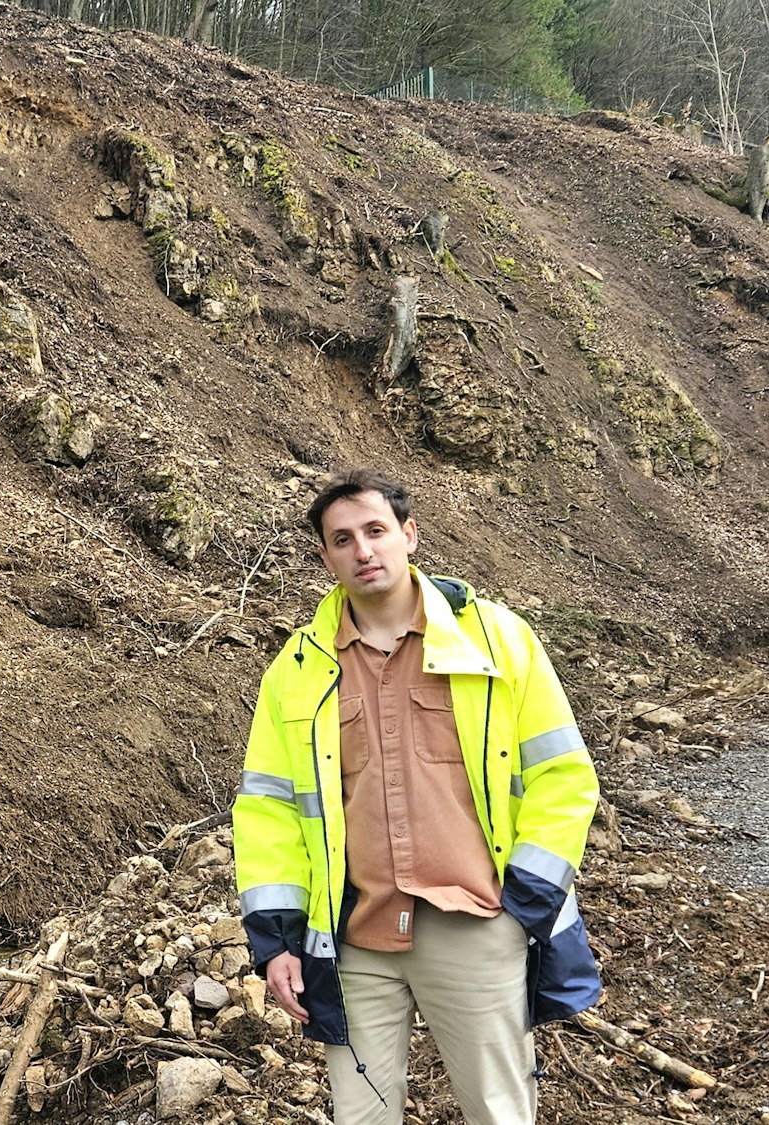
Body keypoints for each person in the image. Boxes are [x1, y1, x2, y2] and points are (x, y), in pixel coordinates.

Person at [232, 468, 601, 1125]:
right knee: (361, 1117)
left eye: (376, 531)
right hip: (353, 941)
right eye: (342, 539)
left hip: (476, 924)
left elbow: (563, 775)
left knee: (499, 1111)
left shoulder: (498, 640)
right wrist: (277, 941)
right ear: (326, 558)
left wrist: (524, 903)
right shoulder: (294, 671)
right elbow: (270, 810)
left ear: (409, 535)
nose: (363, 550)